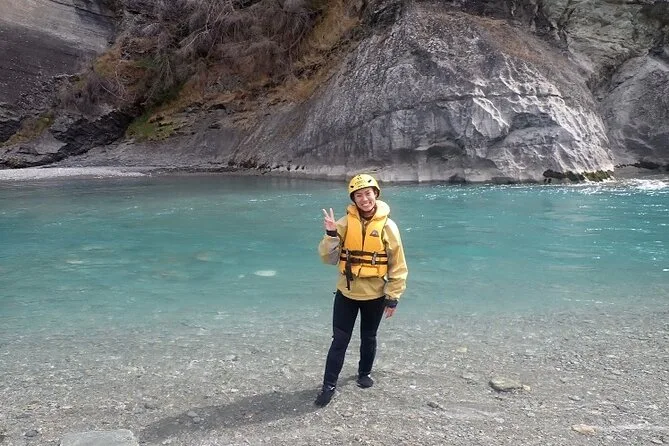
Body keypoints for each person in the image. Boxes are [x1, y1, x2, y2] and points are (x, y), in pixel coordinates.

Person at [314, 173, 408, 407]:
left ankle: (364, 373)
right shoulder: (344, 224)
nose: (364, 199)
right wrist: (331, 234)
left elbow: (398, 264)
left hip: (375, 295)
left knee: (369, 337)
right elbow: (327, 258)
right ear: (353, 199)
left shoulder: (388, 227)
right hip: (346, 294)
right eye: (359, 195)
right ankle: (328, 385)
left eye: (368, 193)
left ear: (376, 194)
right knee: (339, 340)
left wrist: (393, 297)